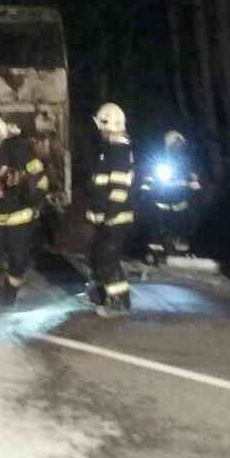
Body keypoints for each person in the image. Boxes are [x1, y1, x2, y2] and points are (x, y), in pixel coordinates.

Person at [0, 109, 48, 312]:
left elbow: (41, 179)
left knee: (17, 262)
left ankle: (10, 291)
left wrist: (23, 182)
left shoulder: (20, 149)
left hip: (20, 219)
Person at [86, 103, 135, 313]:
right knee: (103, 258)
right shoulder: (110, 150)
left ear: (109, 124)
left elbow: (119, 189)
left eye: (101, 126)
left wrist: (109, 215)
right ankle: (106, 295)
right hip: (107, 216)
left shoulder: (118, 150)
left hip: (115, 218)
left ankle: (119, 303)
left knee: (107, 260)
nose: (99, 131)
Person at [139, 129, 201, 265]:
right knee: (158, 226)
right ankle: (155, 252)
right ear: (169, 144)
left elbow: (194, 183)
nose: (178, 146)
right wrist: (144, 193)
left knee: (183, 226)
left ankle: (183, 251)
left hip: (181, 203)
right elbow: (149, 179)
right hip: (162, 202)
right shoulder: (161, 161)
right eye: (175, 143)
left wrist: (196, 192)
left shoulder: (187, 163)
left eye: (180, 144)